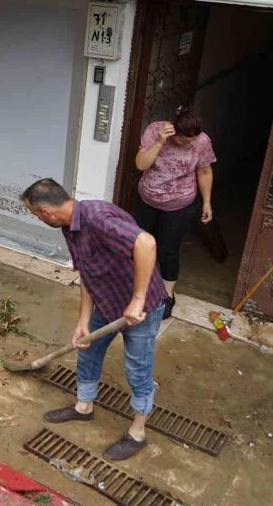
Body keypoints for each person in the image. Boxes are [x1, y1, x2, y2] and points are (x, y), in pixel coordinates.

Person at [22, 178, 167, 461]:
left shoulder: (97, 218)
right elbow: (88, 273)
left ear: (46, 213)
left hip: (142, 310)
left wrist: (137, 299)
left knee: (137, 368)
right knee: (87, 352)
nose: (37, 219)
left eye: (35, 214)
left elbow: (146, 243)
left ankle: (138, 432)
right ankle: (83, 407)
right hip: (106, 300)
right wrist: (83, 321)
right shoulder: (70, 226)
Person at [134, 107, 216, 319]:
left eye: (193, 140)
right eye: (183, 140)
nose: (189, 143)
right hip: (147, 201)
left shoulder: (202, 141)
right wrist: (160, 142)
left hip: (179, 205)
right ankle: (137, 291)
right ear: (174, 130)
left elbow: (205, 170)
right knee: (138, 247)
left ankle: (167, 296)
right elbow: (141, 163)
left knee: (167, 252)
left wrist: (207, 202)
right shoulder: (155, 131)